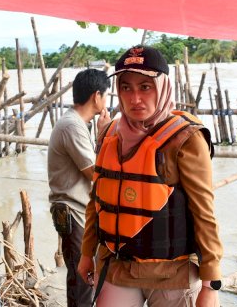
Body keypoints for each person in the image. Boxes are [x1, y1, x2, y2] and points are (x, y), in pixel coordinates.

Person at [77, 46, 223, 307]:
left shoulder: (185, 138)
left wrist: (210, 283)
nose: (135, 98)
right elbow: (96, 201)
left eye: (145, 87)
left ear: (163, 87)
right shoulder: (109, 134)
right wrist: (87, 253)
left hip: (172, 275)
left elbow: (204, 212)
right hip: (117, 268)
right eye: (126, 88)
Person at [47, 68, 110, 306]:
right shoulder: (71, 126)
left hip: (76, 212)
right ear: (96, 96)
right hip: (74, 212)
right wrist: (105, 135)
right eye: (106, 95)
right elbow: (96, 173)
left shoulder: (75, 123)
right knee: (84, 280)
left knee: (80, 279)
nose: (106, 101)